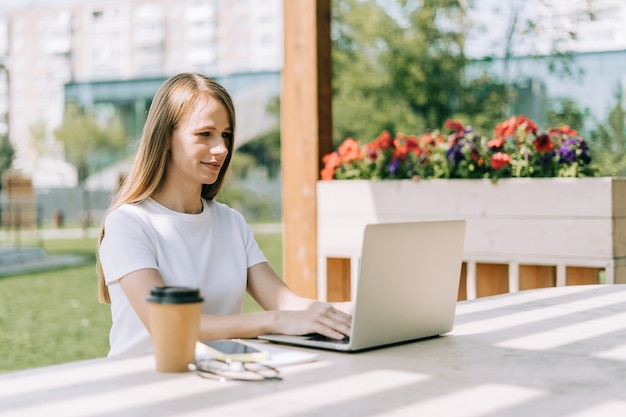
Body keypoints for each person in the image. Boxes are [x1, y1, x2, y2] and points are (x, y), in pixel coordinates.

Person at [97, 72, 352, 358]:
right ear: (166, 138)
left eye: (226, 135)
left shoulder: (231, 222)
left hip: (219, 378)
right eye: (205, 134)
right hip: (143, 386)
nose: (221, 149)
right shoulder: (128, 224)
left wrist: (356, 311)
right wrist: (275, 322)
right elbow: (168, 324)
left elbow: (285, 303)